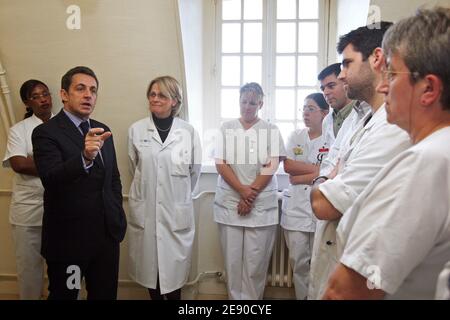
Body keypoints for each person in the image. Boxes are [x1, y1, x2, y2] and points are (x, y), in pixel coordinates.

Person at [324, 7, 450, 300]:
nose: (382, 85)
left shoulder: (425, 164)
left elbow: (344, 292)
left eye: (391, 74)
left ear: (428, 89)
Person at [308, 22, 412, 299]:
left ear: (377, 59)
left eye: (347, 64)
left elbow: (324, 204)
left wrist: (325, 181)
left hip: (361, 271)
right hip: (338, 251)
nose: (342, 75)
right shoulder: (358, 118)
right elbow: (329, 168)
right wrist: (327, 178)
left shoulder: (393, 128)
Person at [31, 66, 127, 300]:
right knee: (66, 295)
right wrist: (84, 157)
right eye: (80, 88)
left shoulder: (103, 130)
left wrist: (117, 214)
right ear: (64, 94)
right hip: (69, 243)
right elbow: (51, 178)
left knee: (104, 295)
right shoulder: (46, 133)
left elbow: (112, 179)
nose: (88, 95)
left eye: (93, 90)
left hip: (105, 239)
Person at [127, 76, 201, 300]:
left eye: (162, 95)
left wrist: (175, 194)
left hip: (175, 212)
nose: (155, 99)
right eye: (152, 94)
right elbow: (134, 168)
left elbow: (194, 172)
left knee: (174, 272)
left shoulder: (188, 132)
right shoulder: (137, 130)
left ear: (175, 101)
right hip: (147, 210)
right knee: (151, 271)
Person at [213, 82, 286, 300]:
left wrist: (249, 193)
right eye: (244, 101)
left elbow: (272, 165)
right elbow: (221, 163)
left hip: (260, 205)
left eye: (252, 102)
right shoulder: (226, 129)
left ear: (261, 103)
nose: (247, 106)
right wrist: (243, 191)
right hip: (230, 203)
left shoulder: (271, 130)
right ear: (239, 101)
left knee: (256, 264)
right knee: (233, 263)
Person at [2, 80, 53, 299]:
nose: (43, 99)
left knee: (65, 269)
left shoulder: (64, 125)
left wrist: (36, 161)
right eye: (36, 96)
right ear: (27, 102)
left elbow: (77, 162)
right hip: (27, 214)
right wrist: (57, 164)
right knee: (29, 272)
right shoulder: (19, 130)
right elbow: (19, 164)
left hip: (62, 211)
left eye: (45, 93)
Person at [281, 93, 329, 299]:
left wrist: (303, 177)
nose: (305, 113)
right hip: (296, 211)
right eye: (304, 109)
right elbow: (289, 166)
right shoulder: (295, 136)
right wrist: (317, 170)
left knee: (321, 266)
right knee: (299, 263)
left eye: (311, 109)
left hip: (321, 210)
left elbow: (332, 169)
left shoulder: (332, 138)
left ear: (324, 113)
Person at [317, 63, 370, 176]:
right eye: (323, 88)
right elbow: (328, 157)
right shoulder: (327, 121)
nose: (326, 92)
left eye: (331, 86)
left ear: (345, 83)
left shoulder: (362, 113)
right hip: (330, 182)